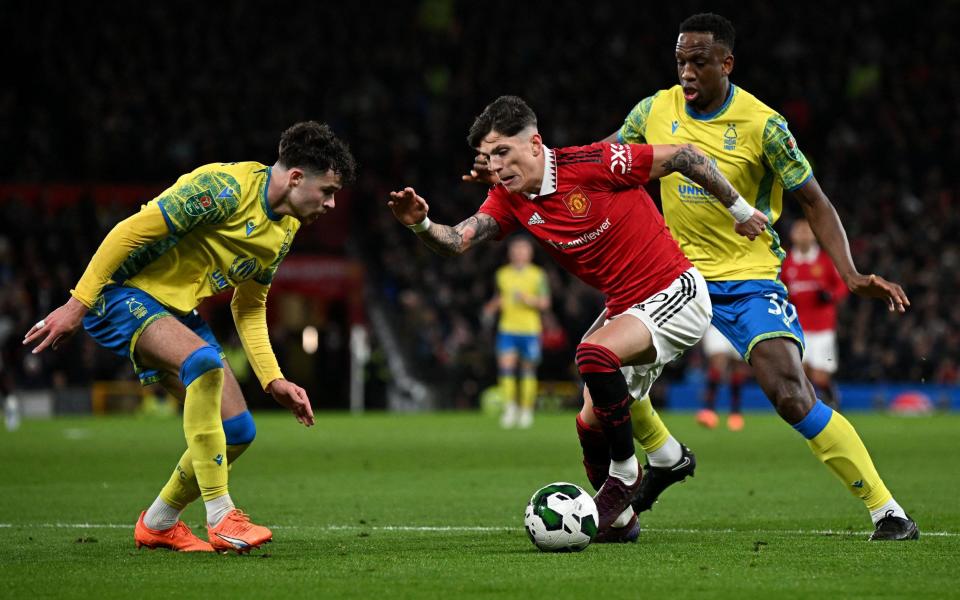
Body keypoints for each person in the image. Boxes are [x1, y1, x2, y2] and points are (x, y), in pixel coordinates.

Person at [390, 95, 767, 541]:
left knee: (593, 353)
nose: (497, 166)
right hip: (628, 306)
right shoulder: (508, 200)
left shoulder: (593, 163)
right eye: (489, 158)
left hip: (675, 290)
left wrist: (740, 210)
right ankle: (624, 519)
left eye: (504, 152)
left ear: (535, 144)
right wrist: (419, 224)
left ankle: (626, 475)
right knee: (590, 422)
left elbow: (685, 155)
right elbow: (456, 240)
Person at [606, 13, 916, 540]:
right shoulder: (653, 111)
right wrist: (523, 170)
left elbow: (814, 201)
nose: (687, 72)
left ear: (726, 63)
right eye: (680, 60)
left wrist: (851, 272)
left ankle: (887, 510)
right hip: (672, 278)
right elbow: (600, 162)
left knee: (793, 394)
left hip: (745, 278)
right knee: (605, 369)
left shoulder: (763, 124)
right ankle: (664, 458)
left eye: (699, 61)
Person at [23, 121, 356, 552]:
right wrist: (76, 304)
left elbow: (249, 305)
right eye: (327, 191)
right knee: (203, 362)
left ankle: (159, 521)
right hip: (119, 293)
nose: (331, 203)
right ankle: (222, 516)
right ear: (295, 178)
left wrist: (273, 379)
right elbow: (129, 231)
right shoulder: (223, 189)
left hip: (176, 312)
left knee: (238, 430)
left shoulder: (285, 229)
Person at [482, 236, 550, 429]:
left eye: (523, 250)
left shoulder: (538, 275)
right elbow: (500, 297)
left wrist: (529, 300)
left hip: (529, 329)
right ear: (510, 253)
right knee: (506, 369)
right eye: (516, 250)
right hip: (507, 328)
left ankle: (526, 411)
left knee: (528, 371)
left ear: (530, 253)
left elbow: (545, 303)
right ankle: (510, 409)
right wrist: (491, 307)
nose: (519, 253)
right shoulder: (502, 274)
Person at [781, 218, 849, 410]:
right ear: (793, 236)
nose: (803, 235)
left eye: (807, 231)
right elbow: (780, 288)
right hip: (797, 327)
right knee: (801, 373)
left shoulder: (825, 261)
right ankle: (811, 410)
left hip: (822, 328)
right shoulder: (787, 262)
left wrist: (831, 296)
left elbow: (843, 285)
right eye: (799, 231)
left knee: (819, 375)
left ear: (814, 235)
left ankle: (831, 397)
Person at [697, 324, 750, 430]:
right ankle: (709, 411)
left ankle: (735, 413)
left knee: (737, 367)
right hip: (716, 324)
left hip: (736, 325)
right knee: (717, 363)